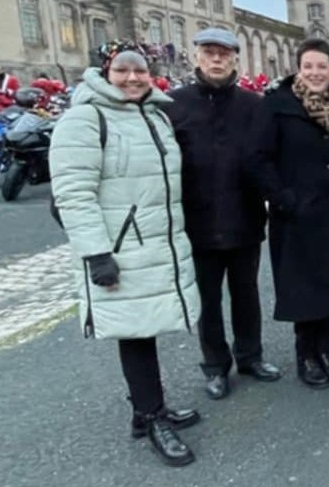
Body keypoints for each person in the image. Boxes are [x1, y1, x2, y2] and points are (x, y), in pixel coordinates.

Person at [49, 40, 202, 467]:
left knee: (146, 327)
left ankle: (146, 411)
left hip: (156, 240)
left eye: (140, 70)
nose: (132, 78)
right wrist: (96, 253)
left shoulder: (154, 114)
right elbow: (73, 194)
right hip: (120, 245)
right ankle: (152, 417)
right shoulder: (85, 119)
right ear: (105, 71)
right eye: (122, 70)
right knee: (134, 332)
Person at [163, 27, 281, 401]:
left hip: (244, 216)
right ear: (197, 56)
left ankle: (251, 356)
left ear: (235, 59)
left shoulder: (254, 104)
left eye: (224, 54)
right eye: (209, 52)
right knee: (208, 301)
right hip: (196, 221)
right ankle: (215, 366)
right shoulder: (173, 104)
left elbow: (268, 156)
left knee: (246, 293)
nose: (217, 59)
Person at [251, 38, 329, 389]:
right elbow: (259, 158)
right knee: (304, 287)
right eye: (308, 66)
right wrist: (283, 198)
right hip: (297, 214)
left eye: (322, 67)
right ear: (299, 69)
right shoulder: (277, 104)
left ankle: (325, 350)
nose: (315, 73)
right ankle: (306, 355)